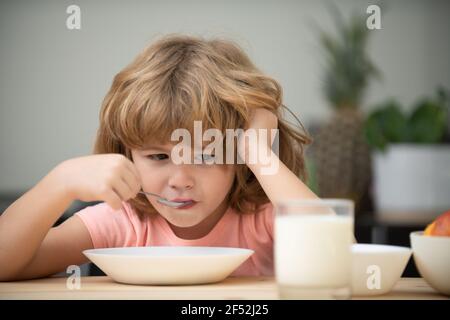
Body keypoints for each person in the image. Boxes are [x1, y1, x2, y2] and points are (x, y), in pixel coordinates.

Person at [0, 34, 319, 281]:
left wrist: (258, 151)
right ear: (127, 155)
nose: (180, 181)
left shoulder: (259, 219)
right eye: (157, 156)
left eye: (206, 156)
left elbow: (335, 254)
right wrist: (60, 181)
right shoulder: (121, 222)